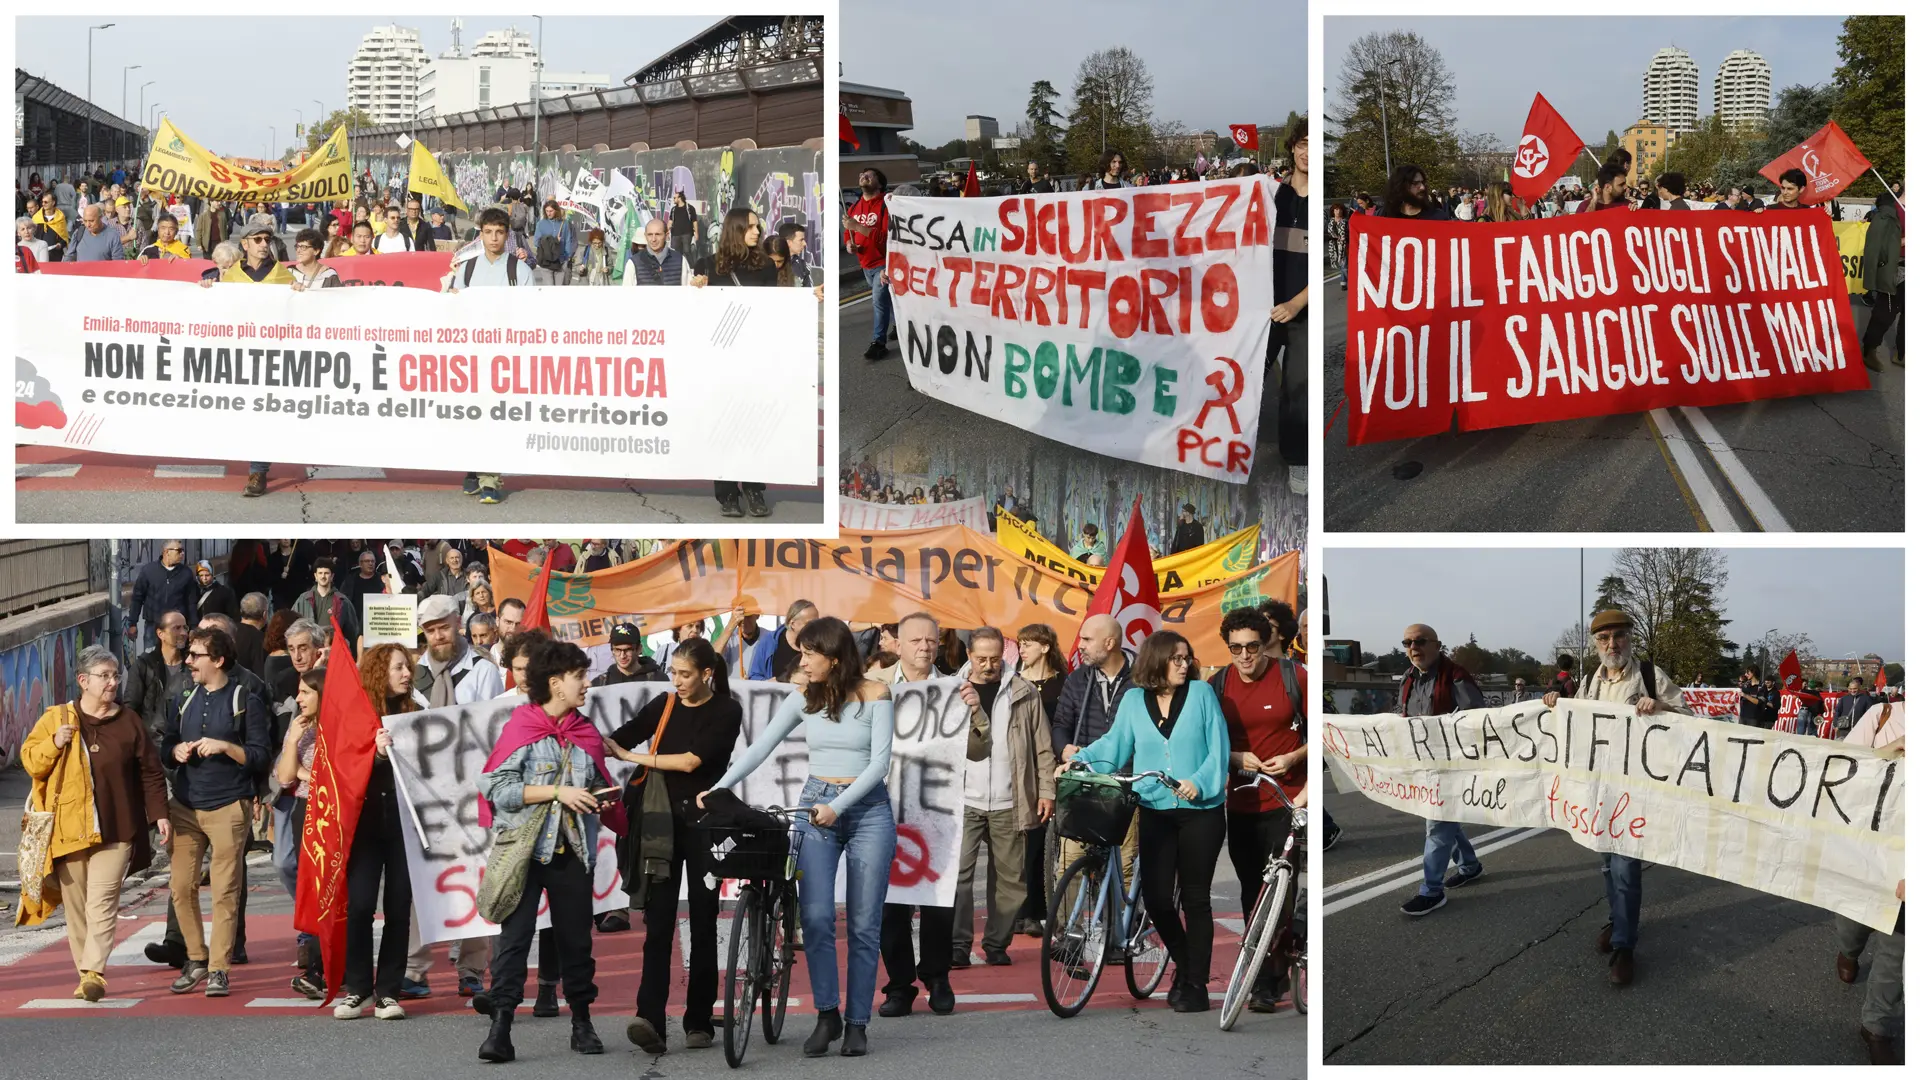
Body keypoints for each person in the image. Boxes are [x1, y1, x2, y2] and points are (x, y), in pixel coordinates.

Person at [703, 617, 895, 1057]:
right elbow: (759, 747)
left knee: (865, 925)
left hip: (866, 811)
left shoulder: (876, 694)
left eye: (810, 653)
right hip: (815, 803)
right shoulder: (803, 697)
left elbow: (879, 765)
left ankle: (857, 1023)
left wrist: (838, 807)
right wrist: (719, 788)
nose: (801, 659)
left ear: (834, 658)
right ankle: (827, 1013)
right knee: (816, 919)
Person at [476, 639, 627, 1062]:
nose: (587, 684)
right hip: (524, 853)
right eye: (580, 676)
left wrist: (602, 797)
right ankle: (500, 1029)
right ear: (556, 683)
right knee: (514, 942)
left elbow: (592, 784)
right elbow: (496, 788)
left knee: (577, 943)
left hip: (572, 852)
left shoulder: (585, 731)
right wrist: (558, 792)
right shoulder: (521, 728)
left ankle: (582, 1023)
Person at [1065, 630, 1230, 1012]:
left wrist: (1199, 783)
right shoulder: (1134, 700)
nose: (1184, 664)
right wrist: (1082, 758)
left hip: (1200, 813)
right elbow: (1115, 743)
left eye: (1187, 657)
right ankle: (1185, 964)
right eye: (1176, 658)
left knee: (1195, 899)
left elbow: (1217, 749)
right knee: (1155, 898)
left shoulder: (1202, 695)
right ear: (1156, 660)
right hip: (1154, 808)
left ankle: (1196, 985)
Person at [603, 636, 742, 1053]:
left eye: (684, 674)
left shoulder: (727, 710)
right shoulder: (663, 705)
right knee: (658, 923)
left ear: (707, 674)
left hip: (704, 826)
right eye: (674, 673)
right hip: (660, 828)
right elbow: (621, 736)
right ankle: (650, 1019)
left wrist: (632, 758)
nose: (677, 682)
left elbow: (690, 761)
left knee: (703, 922)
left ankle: (699, 1020)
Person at [1540, 609, 1691, 987]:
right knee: (1607, 863)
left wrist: (1661, 707)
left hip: (1635, 790)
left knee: (1625, 867)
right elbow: (1577, 720)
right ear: (1595, 644)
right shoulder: (1591, 681)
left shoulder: (1651, 676)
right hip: (1598, 788)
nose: (1612, 644)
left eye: (1619, 636)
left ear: (1630, 638)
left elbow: (1688, 716)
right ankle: (1617, 919)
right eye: (1604, 639)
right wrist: (1553, 704)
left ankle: (1625, 945)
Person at [14, 646, 171, 1003]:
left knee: (102, 901)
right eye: (105, 676)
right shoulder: (57, 719)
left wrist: (159, 813)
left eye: (116, 675)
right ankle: (85, 971)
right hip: (69, 830)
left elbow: (150, 771)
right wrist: (55, 744)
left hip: (119, 829)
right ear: (83, 681)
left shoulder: (129, 721)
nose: (113, 682)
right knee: (77, 904)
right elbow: (31, 763)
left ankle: (94, 972)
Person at [159, 627, 270, 997]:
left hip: (228, 804)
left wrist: (224, 746)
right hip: (187, 805)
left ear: (218, 660)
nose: (188, 661)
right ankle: (196, 957)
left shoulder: (244, 698)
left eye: (196, 655)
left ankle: (219, 968)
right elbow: (168, 741)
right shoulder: (184, 697)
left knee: (224, 890)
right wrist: (174, 752)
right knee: (180, 887)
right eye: (189, 654)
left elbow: (259, 755)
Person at [1210, 608, 1304, 1012]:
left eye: (1252, 646)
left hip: (1288, 799)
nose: (1245, 656)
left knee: (1279, 889)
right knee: (1252, 889)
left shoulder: (1295, 676)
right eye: (1236, 649)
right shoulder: (1218, 684)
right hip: (1242, 801)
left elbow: (1326, 732)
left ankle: (1272, 978)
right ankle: (1261, 964)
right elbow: (1208, 743)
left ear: (1266, 643)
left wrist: (1294, 757)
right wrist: (1235, 758)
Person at [867, 611, 958, 1016]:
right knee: (890, 901)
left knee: (939, 899)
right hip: (883, 807)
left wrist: (975, 715)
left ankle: (938, 977)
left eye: (932, 641)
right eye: (917, 641)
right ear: (897, 645)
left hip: (937, 809)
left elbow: (978, 749)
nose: (925, 647)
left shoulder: (954, 688)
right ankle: (900, 985)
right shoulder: (874, 686)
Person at [950, 626, 1056, 967]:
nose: (988, 665)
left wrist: (1047, 791)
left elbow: (1043, 746)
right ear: (969, 655)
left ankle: (997, 943)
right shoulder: (952, 690)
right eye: (981, 658)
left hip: (1011, 799)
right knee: (958, 876)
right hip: (964, 799)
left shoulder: (1022, 691)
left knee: (1010, 879)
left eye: (995, 658)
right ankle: (957, 945)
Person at [330, 643, 425, 1020]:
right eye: (399, 668)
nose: (407, 674)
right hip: (366, 825)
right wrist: (376, 754)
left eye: (408, 668)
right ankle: (358, 989)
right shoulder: (357, 716)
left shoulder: (416, 711)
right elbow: (344, 763)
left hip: (403, 825)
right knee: (361, 905)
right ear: (378, 672)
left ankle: (388, 990)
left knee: (399, 905)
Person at [1396, 624, 1487, 917]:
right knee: (1445, 819)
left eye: (1420, 641)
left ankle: (1432, 891)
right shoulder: (1408, 678)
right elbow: (1402, 719)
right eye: (1407, 642)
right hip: (1423, 764)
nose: (1413, 647)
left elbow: (1476, 717)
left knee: (1436, 824)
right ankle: (1470, 867)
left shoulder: (1456, 675)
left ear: (1437, 645)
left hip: (1452, 766)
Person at [1832, 697, 1904, 1064]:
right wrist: (1890, 752)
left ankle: (1877, 1026)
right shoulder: (1883, 715)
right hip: (1868, 847)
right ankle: (1849, 949)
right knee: (1854, 919)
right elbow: (1841, 764)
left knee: (1900, 946)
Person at [447, 207, 533, 506]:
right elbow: (454, 311)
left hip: (503, 357)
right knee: (471, 416)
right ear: (480, 234)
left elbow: (530, 315)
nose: (494, 238)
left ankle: (490, 480)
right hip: (471, 356)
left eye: (499, 232)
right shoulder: (468, 269)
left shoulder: (519, 270)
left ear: (507, 234)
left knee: (494, 417)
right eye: (488, 232)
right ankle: (474, 470)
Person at [1051, 613, 1139, 891]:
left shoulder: (1142, 679)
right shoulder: (1078, 679)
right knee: (1068, 865)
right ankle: (1068, 933)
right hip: (1087, 784)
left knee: (1123, 868)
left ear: (1110, 642)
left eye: (1087, 639)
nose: (1080, 645)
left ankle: (1119, 932)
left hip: (1128, 783)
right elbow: (1061, 724)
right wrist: (1064, 749)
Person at [1013, 623, 1067, 935]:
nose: (1022, 649)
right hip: (1023, 773)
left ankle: (1046, 909)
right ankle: (1026, 910)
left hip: (1054, 769)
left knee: (1050, 845)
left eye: (1029, 644)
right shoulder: (1015, 682)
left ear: (1045, 647)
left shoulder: (1064, 684)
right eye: (1021, 644)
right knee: (1026, 843)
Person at [844, 168, 893, 360]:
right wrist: (849, 243)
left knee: (879, 303)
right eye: (861, 174)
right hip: (865, 264)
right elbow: (848, 233)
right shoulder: (854, 207)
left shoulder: (885, 206)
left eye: (869, 175)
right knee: (886, 300)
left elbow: (886, 238)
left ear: (879, 183)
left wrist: (858, 227)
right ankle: (898, 326)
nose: (863, 176)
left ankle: (878, 343)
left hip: (884, 262)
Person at [129, 540, 200, 651]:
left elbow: (191, 601)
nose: (182, 554)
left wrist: (194, 626)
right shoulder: (148, 571)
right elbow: (137, 598)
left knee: (177, 655)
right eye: (179, 551)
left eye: (183, 551)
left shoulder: (186, 573)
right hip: (153, 626)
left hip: (178, 626)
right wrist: (132, 623)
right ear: (166, 552)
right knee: (151, 656)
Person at [1860, 192, 1903, 372]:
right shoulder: (1889, 211)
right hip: (1896, 268)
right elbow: (1876, 244)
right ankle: (1869, 348)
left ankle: (1902, 353)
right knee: (1885, 312)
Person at [293, 558, 361, 649]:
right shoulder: (303, 599)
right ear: (315, 576)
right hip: (309, 649)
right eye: (320, 573)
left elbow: (353, 632)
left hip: (333, 650)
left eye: (326, 573)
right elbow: (292, 626)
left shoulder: (342, 601)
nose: (323, 576)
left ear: (332, 576)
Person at [748, 600, 818, 682]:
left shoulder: (819, 645)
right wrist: (767, 684)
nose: (815, 627)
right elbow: (754, 677)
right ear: (793, 624)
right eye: (809, 624)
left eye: (817, 622)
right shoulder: (769, 642)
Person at [595, 623, 666, 685]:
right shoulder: (600, 683)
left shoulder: (659, 679)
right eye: (617, 650)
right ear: (612, 650)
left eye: (628, 650)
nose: (622, 656)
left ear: (639, 649)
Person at [625, 217, 686, 286]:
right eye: (650, 234)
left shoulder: (680, 260)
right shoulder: (633, 263)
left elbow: (689, 291)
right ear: (645, 236)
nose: (653, 239)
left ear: (666, 235)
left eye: (658, 234)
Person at [1380, 165, 1451, 220]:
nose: (1422, 187)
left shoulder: (1437, 217)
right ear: (1401, 186)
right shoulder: (1384, 215)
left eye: (1422, 182)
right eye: (1415, 183)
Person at [532, 198, 575, 285]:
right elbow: (536, 242)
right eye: (547, 211)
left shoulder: (564, 223)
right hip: (546, 261)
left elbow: (567, 240)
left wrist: (567, 257)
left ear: (556, 210)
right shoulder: (541, 224)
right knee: (549, 288)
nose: (548, 213)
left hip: (561, 260)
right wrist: (552, 241)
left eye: (551, 211)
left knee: (558, 289)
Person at [1835, 676, 1879, 740]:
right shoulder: (1844, 699)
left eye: (1855, 688)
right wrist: (1836, 725)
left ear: (1859, 687)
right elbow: (1837, 712)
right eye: (1850, 689)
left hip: (1859, 730)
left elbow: (1870, 714)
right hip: (1843, 730)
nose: (1852, 691)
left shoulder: (1866, 699)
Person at [33, 193, 70, 262]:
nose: (43, 204)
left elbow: (65, 237)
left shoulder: (60, 218)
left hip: (55, 256)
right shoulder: (37, 218)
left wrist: (60, 244)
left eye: (46, 202)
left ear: (53, 203)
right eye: (42, 202)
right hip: (39, 255)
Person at [667, 189, 698, 260]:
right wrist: (667, 231)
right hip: (675, 234)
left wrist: (696, 232)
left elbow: (694, 221)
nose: (673, 199)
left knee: (687, 251)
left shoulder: (690, 208)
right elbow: (670, 221)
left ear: (680, 198)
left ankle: (691, 267)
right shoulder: (673, 209)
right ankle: (677, 267)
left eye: (675, 198)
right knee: (675, 252)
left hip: (687, 233)